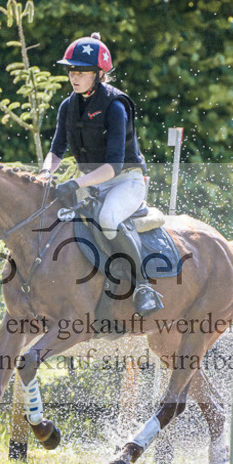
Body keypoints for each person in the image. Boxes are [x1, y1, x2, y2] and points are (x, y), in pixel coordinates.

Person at [40, 33, 162, 316]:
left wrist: (76, 182)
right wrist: (46, 172)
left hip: (125, 182)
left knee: (107, 218)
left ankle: (144, 286)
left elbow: (113, 167)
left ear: (98, 74)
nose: (74, 76)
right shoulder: (68, 106)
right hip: (92, 185)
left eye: (81, 71)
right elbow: (56, 150)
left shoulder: (116, 106)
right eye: (71, 70)